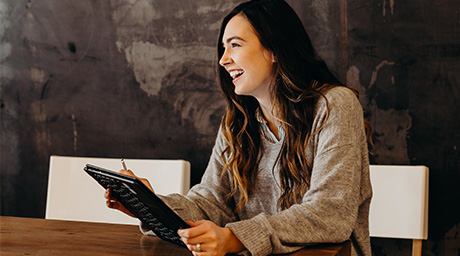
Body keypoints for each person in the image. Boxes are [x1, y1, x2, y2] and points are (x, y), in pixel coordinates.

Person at [105, 0, 373, 255]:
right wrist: (151, 206)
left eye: (235, 45)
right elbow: (211, 203)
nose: (223, 59)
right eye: (223, 48)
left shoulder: (334, 105)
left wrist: (235, 238)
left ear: (274, 50)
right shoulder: (238, 122)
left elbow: (330, 213)